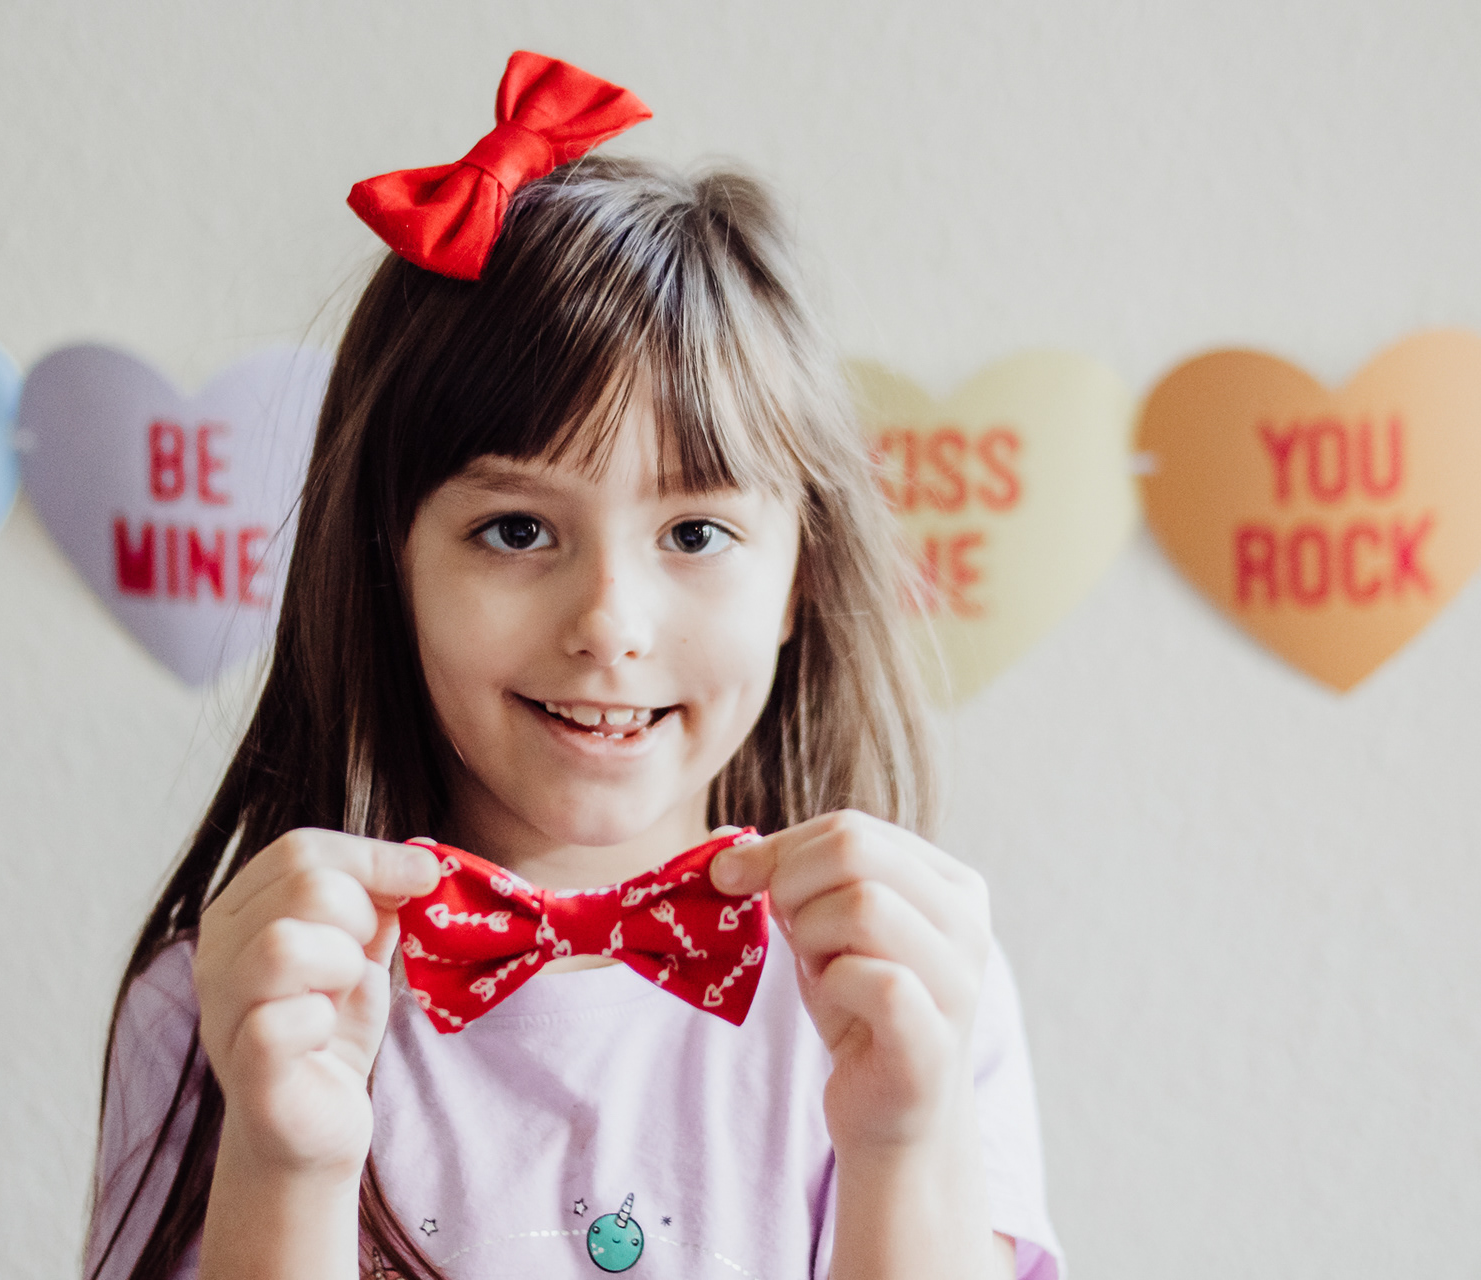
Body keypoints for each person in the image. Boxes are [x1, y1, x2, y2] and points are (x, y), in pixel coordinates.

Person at [84, 51, 1061, 1280]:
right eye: (516, 529)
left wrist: (903, 1143)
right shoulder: (230, 998)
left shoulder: (912, 979)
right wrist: (288, 1165)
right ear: (388, 556)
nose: (608, 623)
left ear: (799, 574)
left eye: (694, 534)